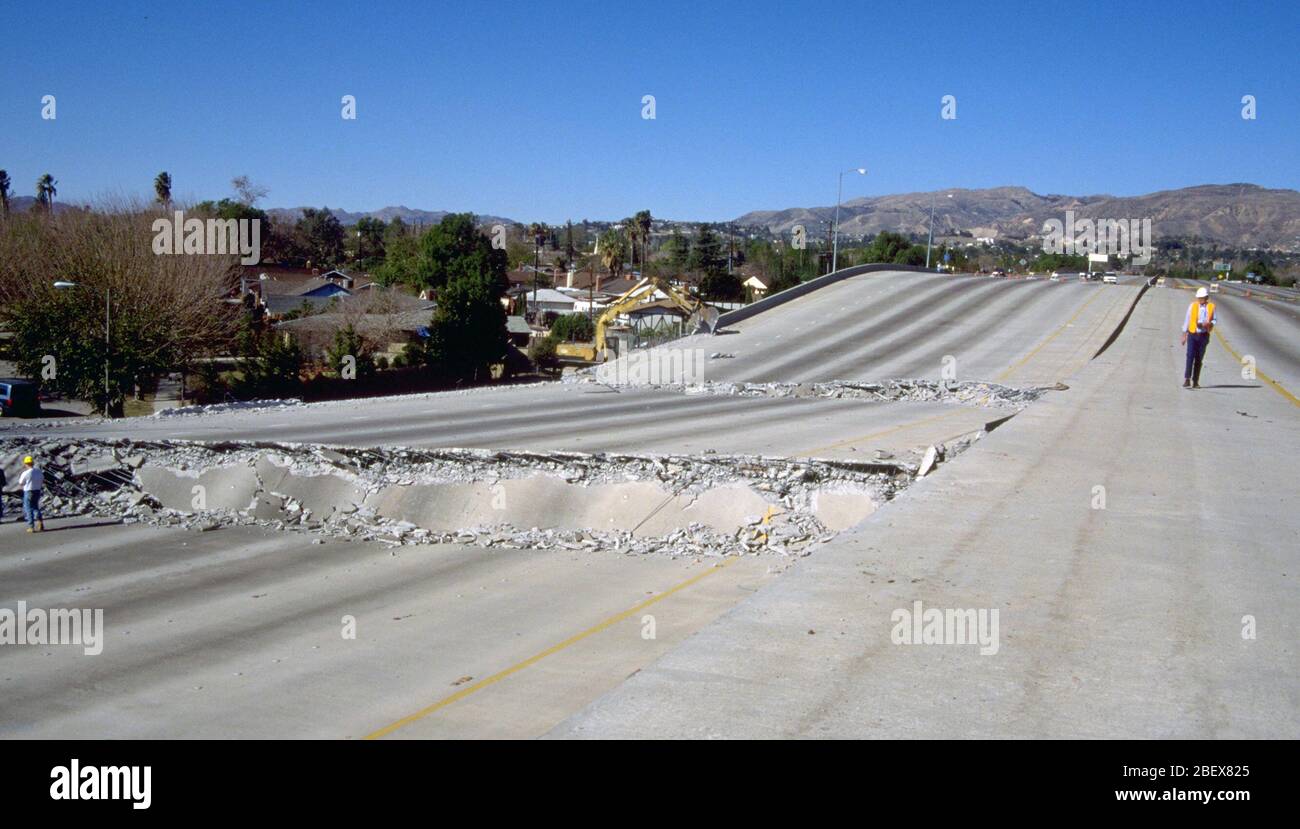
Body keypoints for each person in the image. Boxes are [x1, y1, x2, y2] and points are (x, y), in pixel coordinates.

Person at [1180, 287, 1217, 389]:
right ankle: (1187, 379)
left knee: (1199, 359)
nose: (1200, 300)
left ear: (1206, 297)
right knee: (1190, 356)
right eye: (1199, 298)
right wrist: (1184, 334)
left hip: (1204, 335)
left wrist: (1208, 323)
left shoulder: (1211, 307)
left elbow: (1214, 320)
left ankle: (1195, 381)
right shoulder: (1192, 306)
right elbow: (1187, 320)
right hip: (1193, 334)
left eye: (1202, 298)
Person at [18, 456, 44, 533]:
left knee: (28, 508)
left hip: (28, 491)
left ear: (26, 464)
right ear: (33, 463)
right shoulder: (39, 471)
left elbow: (21, 482)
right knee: (35, 507)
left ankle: (31, 526)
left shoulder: (26, 473)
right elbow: (42, 479)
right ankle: (40, 522)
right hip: (37, 490)